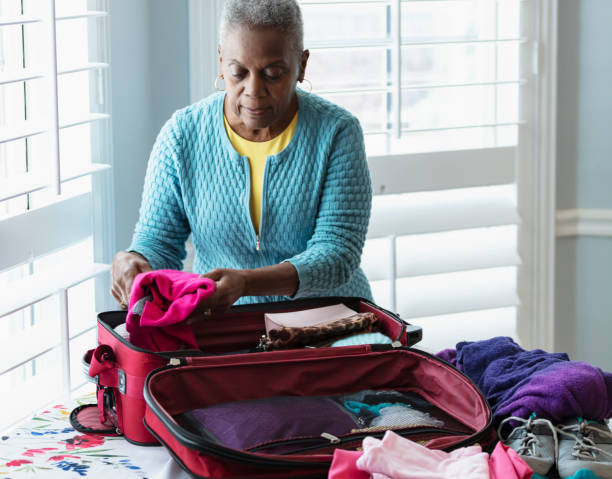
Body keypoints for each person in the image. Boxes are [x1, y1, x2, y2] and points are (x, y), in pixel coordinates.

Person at [110, 0, 373, 313]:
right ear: (221, 60)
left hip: (330, 317)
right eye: (238, 73)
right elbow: (158, 242)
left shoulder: (337, 132)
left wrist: (248, 282)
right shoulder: (182, 135)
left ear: (301, 65)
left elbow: (338, 253)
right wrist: (135, 260)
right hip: (225, 323)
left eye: (273, 73)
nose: (254, 90)